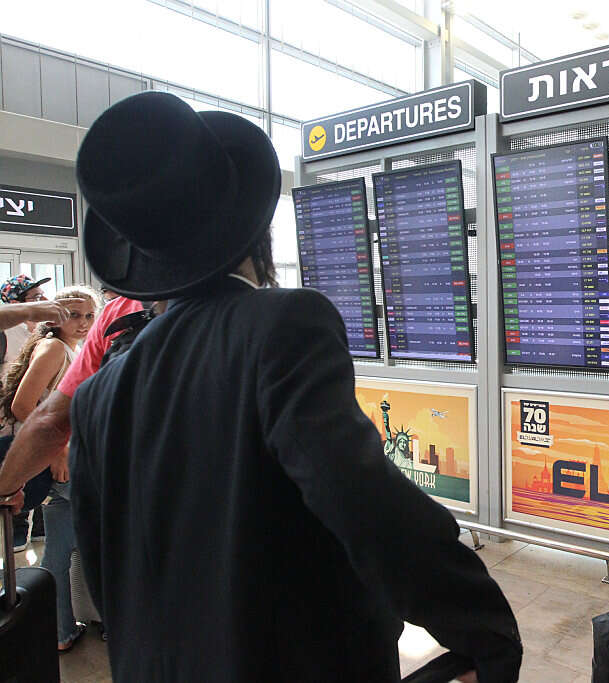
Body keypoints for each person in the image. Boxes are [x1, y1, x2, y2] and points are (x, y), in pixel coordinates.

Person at [65, 92, 521, 682]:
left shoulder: (97, 399)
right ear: (257, 233)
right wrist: (481, 628)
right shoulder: (282, 325)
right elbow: (360, 499)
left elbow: (107, 575)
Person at [0, 285, 99, 650]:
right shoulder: (55, 348)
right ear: (54, 316)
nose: (83, 323)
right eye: (73, 315)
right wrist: (58, 451)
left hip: (58, 464)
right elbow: (23, 405)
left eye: (89, 315)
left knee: (58, 552)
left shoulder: (69, 348)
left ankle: (60, 631)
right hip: (56, 464)